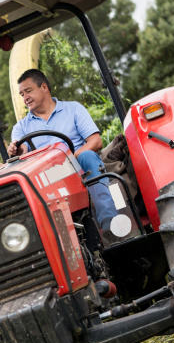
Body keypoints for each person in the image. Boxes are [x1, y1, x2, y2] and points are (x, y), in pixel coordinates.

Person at [8, 68, 118, 230]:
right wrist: (16, 151)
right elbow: (22, 150)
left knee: (88, 155)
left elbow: (95, 141)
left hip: (80, 166)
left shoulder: (73, 109)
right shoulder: (21, 128)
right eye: (22, 94)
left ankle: (110, 224)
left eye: (28, 91)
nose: (25, 98)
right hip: (48, 175)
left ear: (44, 87)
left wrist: (70, 160)